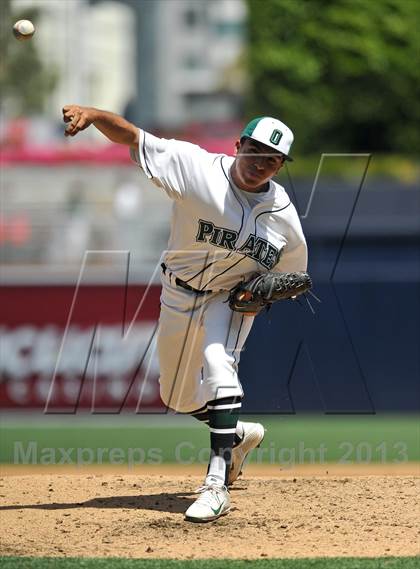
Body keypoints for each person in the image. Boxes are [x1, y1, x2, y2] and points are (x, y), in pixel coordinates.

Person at [62, 106, 308, 522]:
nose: (259, 163)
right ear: (238, 146)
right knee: (175, 395)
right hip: (177, 291)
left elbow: (296, 275)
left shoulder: (283, 214)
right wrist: (93, 115)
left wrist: (263, 296)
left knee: (218, 365)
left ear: (281, 166)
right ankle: (239, 433)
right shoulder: (196, 168)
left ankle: (216, 483)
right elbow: (135, 138)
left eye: (271, 159)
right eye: (254, 151)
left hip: (228, 300)